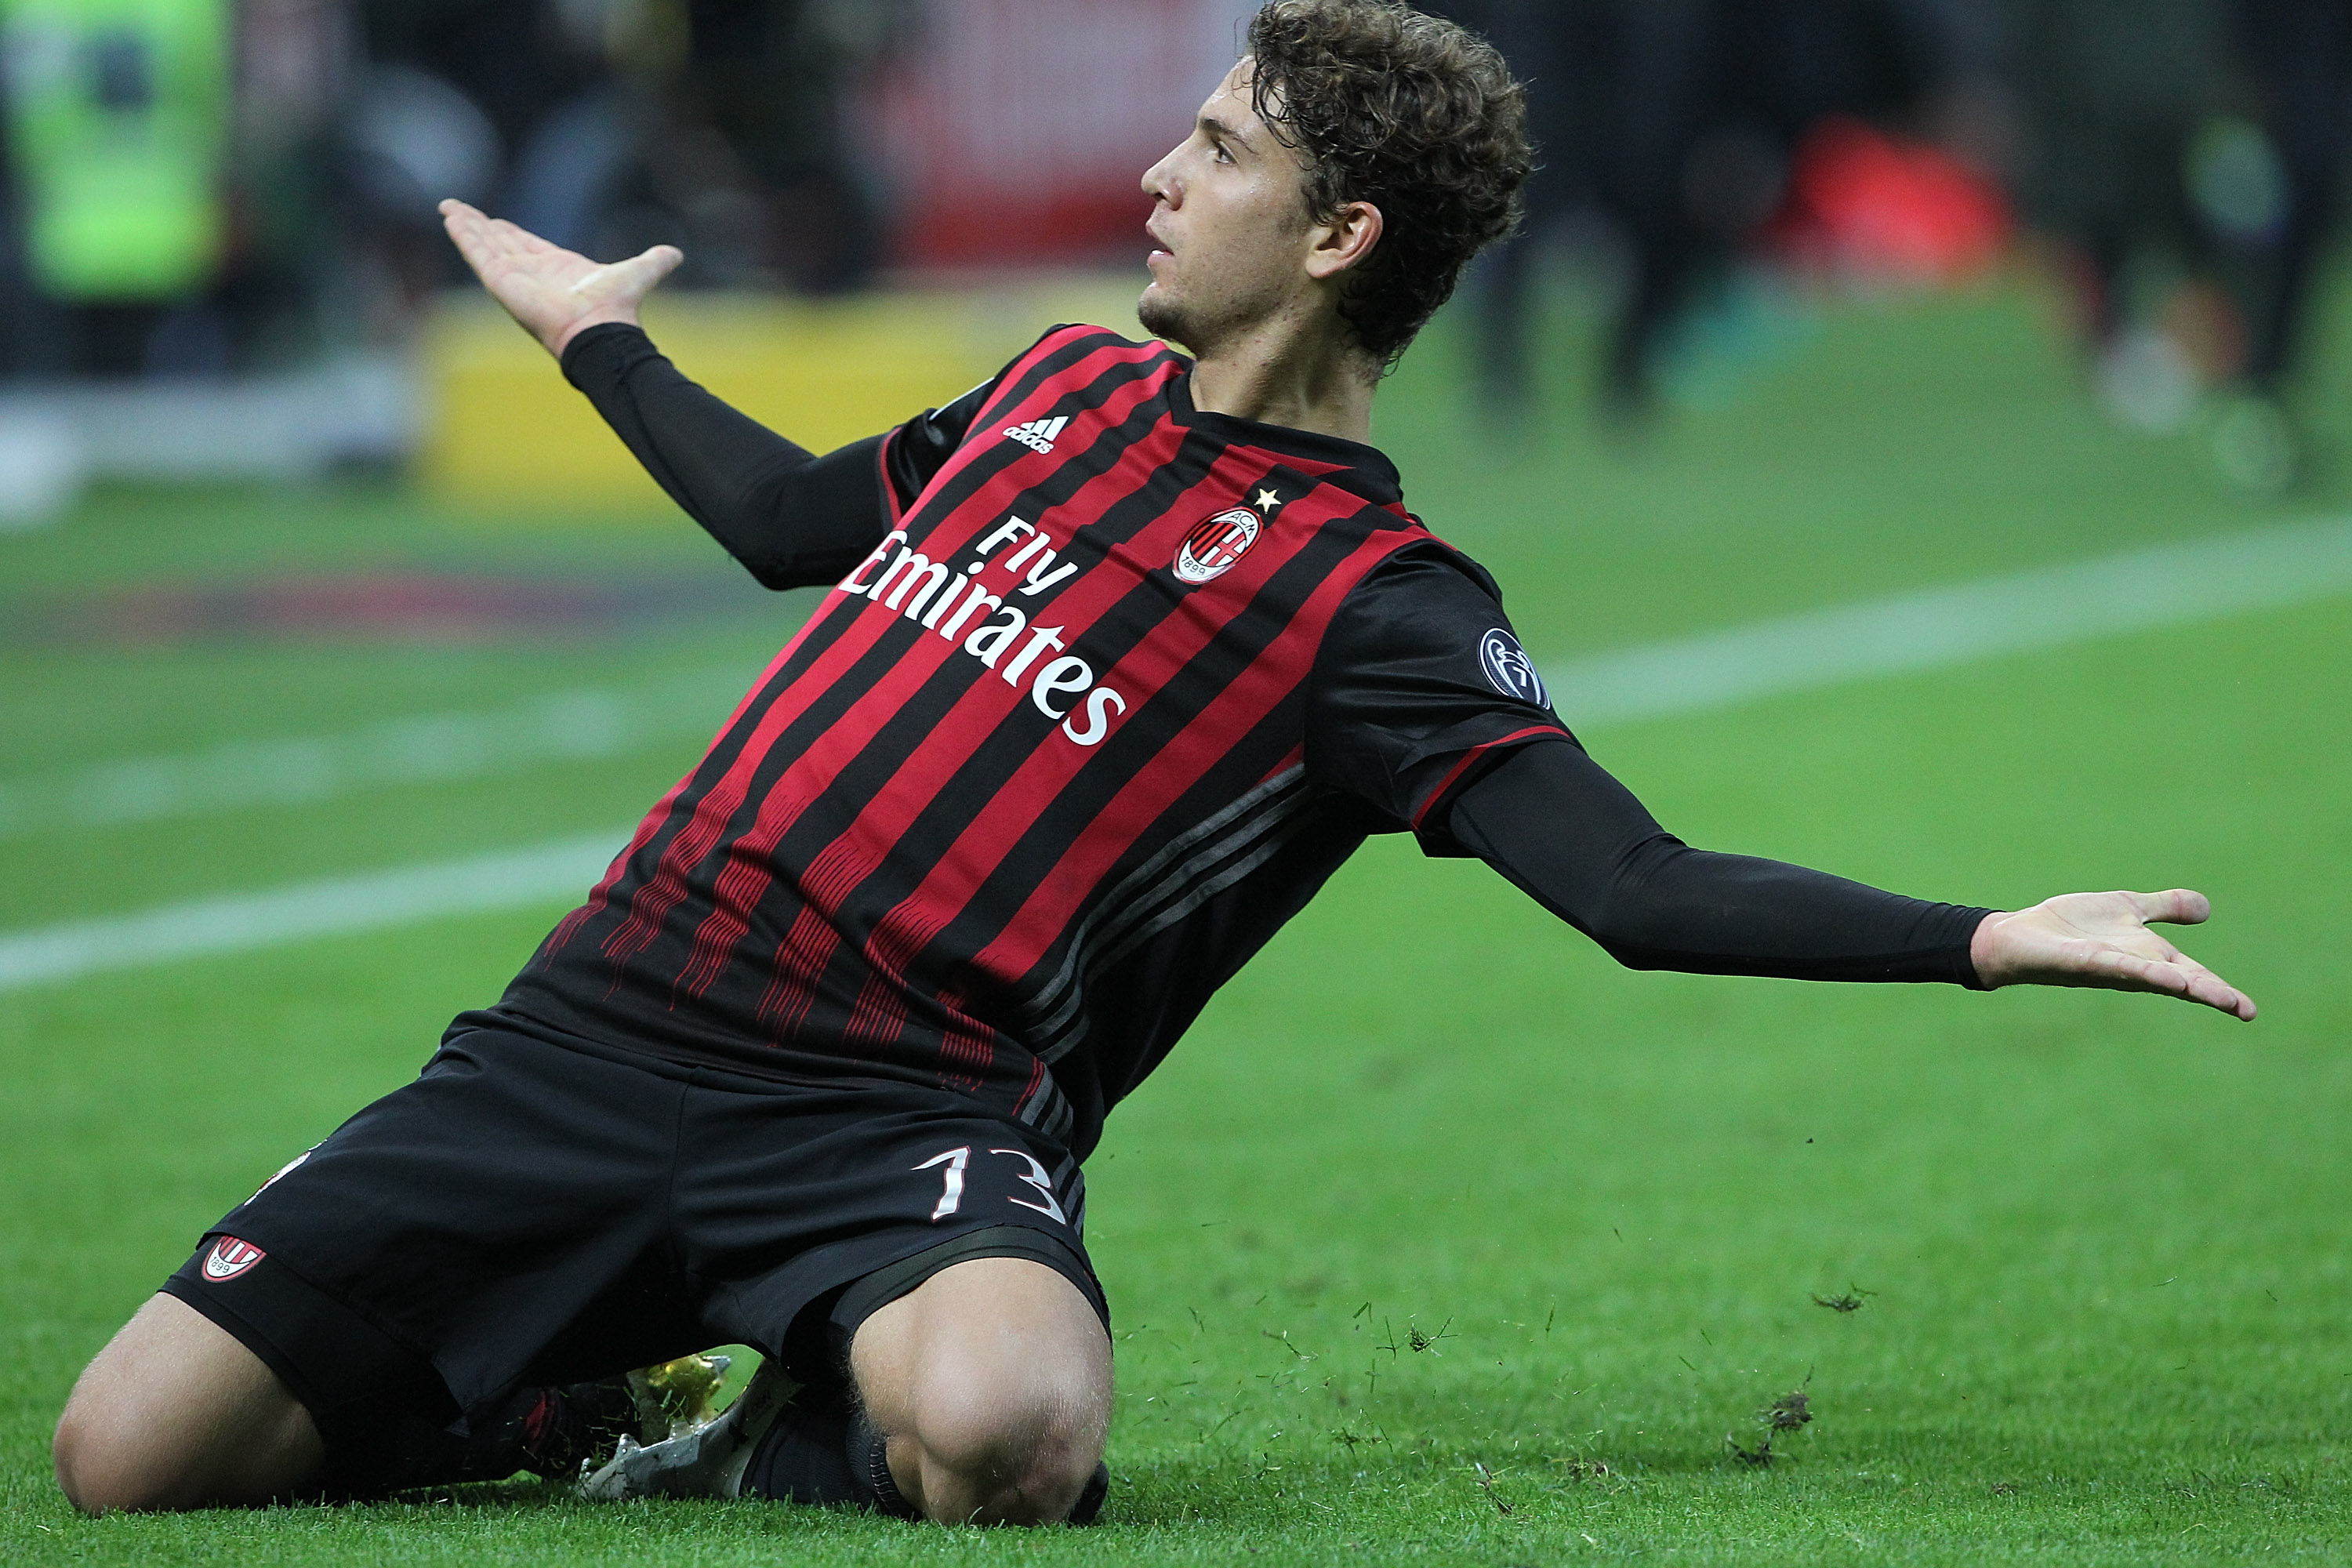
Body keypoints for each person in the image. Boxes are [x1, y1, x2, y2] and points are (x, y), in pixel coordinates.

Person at [52, 0, 2253, 1528]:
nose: (1153, 174)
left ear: (1336, 238)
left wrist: (1987, 936)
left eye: (1213, 153)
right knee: (123, 1460)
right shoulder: (1048, 386)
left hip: (900, 1116)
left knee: (1012, 1433)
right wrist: (596, 335)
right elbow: (788, 525)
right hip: (603, 1021)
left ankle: (811, 1399)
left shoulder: (1382, 608)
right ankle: (564, 1393)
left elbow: (1638, 888)